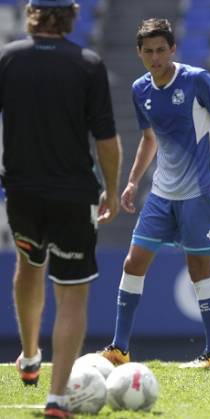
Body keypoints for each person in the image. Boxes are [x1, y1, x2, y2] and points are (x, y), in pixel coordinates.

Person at [0, 0, 121, 416]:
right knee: (71, 295)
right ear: (71, 14)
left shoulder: (7, 59)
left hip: (21, 192)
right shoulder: (87, 64)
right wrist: (112, 187)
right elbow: (106, 140)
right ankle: (56, 398)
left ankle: (30, 355)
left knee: (29, 264)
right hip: (73, 194)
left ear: (31, 13)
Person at [99, 18, 210, 369]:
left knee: (199, 268)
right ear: (139, 53)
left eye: (162, 49)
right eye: (149, 51)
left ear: (173, 49)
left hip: (199, 190)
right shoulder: (139, 89)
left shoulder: (197, 80)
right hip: (161, 192)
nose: (156, 57)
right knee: (133, 262)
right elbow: (149, 139)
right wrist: (131, 182)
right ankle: (120, 347)